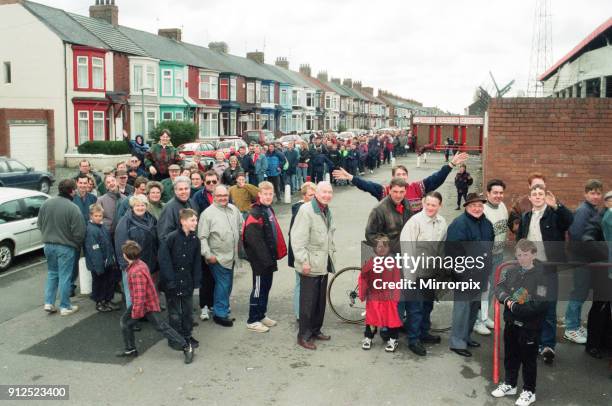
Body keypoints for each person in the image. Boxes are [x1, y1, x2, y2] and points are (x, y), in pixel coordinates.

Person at [517, 184, 573, 364]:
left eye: (541, 194)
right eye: (535, 194)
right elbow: (520, 240)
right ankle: (531, 341)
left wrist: (557, 205)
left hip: (549, 268)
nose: (538, 196)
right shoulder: (526, 216)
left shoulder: (554, 215)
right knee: (529, 305)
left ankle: (547, 345)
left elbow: (569, 221)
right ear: (530, 197)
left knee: (548, 307)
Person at [491, 239, 549, 406]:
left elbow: (539, 304)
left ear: (533, 254)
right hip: (511, 324)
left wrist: (514, 307)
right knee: (510, 355)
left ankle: (529, 391)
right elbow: (499, 288)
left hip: (529, 328)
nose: (521, 258)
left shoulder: (542, 276)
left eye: (525, 255)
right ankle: (510, 384)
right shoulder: (511, 272)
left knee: (529, 360)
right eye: (518, 255)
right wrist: (509, 300)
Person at [117, 240, 194, 364]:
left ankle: (186, 346)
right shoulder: (140, 263)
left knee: (161, 327)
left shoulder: (136, 272)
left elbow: (140, 296)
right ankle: (130, 349)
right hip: (146, 302)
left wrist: (136, 313)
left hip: (145, 305)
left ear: (126, 256)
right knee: (126, 323)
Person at [333, 152, 469, 214]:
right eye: (398, 175)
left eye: (404, 174)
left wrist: (450, 165)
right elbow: (367, 185)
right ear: (392, 178)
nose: (402, 177)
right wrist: (351, 177)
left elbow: (436, 178)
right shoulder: (385, 191)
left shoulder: (417, 188)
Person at [446, 192, 494, 357]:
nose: (477, 208)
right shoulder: (459, 224)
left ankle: (466, 337)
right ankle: (457, 342)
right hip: (464, 275)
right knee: (462, 309)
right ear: (466, 206)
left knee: (474, 307)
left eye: (480, 205)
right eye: (473, 205)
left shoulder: (486, 223)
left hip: (480, 273)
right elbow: (452, 252)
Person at [399, 191, 447, 356]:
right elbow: (407, 249)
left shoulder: (442, 222)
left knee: (428, 305)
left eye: (434, 205)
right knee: (415, 308)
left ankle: (424, 333)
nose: (430, 208)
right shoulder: (415, 222)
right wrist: (410, 276)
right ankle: (413, 339)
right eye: (427, 204)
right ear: (423, 203)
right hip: (416, 273)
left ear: (439, 206)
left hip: (431, 272)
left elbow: (442, 247)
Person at [291, 182, 336, 350]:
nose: (327, 195)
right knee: (308, 302)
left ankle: (316, 330)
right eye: (324, 192)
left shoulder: (326, 209)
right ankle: (303, 335)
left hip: (322, 261)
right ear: (316, 193)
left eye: (330, 192)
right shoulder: (306, 211)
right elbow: (297, 240)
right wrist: (304, 262)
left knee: (319, 301)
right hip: (310, 263)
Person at [243, 181, 287, 333]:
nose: (268, 197)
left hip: (268, 260)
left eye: (270, 194)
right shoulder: (255, 214)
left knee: (265, 288)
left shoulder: (267, 209)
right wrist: (266, 261)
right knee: (258, 289)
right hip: (260, 262)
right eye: (265, 194)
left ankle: (261, 315)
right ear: (259, 195)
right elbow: (254, 242)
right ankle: (252, 319)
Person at [37, 179, 86, 316]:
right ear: (71, 191)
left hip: (48, 246)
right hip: (66, 247)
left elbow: (39, 224)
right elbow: (79, 232)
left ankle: (49, 303)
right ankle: (65, 306)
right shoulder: (73, 208)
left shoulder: (46, 203)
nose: (76, 191)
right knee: (65, 276)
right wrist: (75, 245)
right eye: (75, 189)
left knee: (52, 274)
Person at [564, 179, 603, 344]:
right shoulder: (583, 211)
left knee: (582, 292)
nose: (595, 196)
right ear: (585, 194)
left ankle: (576, 324)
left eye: (598, 193)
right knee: (579, 293)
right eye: (592, 193)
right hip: (582, 260)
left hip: (586, 260)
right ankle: (571, 328)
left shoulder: (593, 210)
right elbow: (578, 237)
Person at [198, 185, 243, 327]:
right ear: (214, 196)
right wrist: (208, 254)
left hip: (232, 255)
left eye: (225, 195)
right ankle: (220, 314)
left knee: (227, 284)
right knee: (223, 285)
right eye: (219, 196)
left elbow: (242, 224)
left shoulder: (233, 209)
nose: (223, 198)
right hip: (217, 257)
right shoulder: (207, 214)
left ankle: (222, 308)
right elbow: (202, 237)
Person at [159, 209, 202, 350]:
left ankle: (187, 335)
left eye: (196, 220)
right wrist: (170, 281)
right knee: (175, 312)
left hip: (187, 281)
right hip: (173, 282)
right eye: (192, 220)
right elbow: (164, 261)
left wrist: (196, 280)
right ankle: (175, 337)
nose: (195, 223)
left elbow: (196, 262)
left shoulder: (195, 240)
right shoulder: (171, 238)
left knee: (188, 311)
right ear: (183, 221)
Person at [474, 179, 509, 336]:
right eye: (495, 192)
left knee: (493, 289)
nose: (498, 195)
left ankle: (484, 316)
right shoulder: (483, 211)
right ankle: (477, 321)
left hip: (498, 255)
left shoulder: (502, 206)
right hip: (485, 256)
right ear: (487, 193)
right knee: (483, 289)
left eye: (501, 192)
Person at [359, 236, 402, 352]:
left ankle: (393, 339)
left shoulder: (393, 263)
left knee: (391, 319)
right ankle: (368, 337)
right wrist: (363, 293)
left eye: (384, 246)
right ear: (375, 248)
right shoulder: (371, 262)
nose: (381, 249)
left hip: (389, 296)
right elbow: (363, 277)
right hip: (374, 296)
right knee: (371, 318)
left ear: (389, 248)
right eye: (379, 246)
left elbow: (397, 280)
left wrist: (396, 297)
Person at [115, 194, 158, 308]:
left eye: (143, 205)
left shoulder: (151, 219)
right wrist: (125, 264)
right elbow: (121, 244)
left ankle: (145, 312)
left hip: (149, 261)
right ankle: (132, 319)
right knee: (132, 293)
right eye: (137, 205)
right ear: (132, 207)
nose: (140, 207)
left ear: (146, 206)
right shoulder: (125, 222)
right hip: (131, 264)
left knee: (146, 290)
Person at [288, 182, 316, 320]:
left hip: (309, 253)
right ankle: (300, 314)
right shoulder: (300, 210)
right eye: (311, 195)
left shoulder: (310, 208)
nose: (314, 198)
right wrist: (302, 258)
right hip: (301, 254)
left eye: (314, 195)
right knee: (301, 283)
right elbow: (296, 237)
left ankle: (304, 312)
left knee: (306, 284)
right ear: (303, 196)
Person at [84, 204, 118, 313]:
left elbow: (108, 244)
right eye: (96, 216)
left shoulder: (102, 227)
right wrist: (99, 267)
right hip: (98, 264)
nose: (99, 218)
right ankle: (99, 302)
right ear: (91, 216)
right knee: (99, 283)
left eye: (100, 216)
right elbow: (94, 251)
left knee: (108, 281)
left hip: (107, 261)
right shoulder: (91, 230)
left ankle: (107, 300)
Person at [365, 178, 413, 254]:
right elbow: (370, 235)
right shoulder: (378, 210)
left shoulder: (406, 203)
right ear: (389, 190)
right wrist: (387, 247)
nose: (398, 195)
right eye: (395, 191)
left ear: (405, 192)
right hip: (388, 252)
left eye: (401, 192)